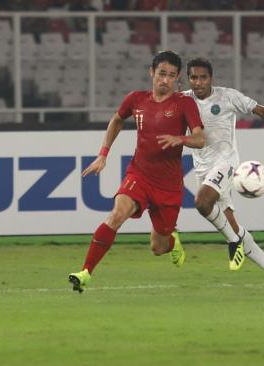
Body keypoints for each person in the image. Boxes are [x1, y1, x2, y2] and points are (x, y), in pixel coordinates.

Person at [68, 51, 205, 293]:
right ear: (152, 72)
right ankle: (86, 271)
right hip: (139, 174)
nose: (165, 80)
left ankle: (172, 240)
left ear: (177, 79)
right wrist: (103, 154)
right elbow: (117, 120)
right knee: (116, 215)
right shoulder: (136, 99)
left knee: (157, 247)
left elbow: (200, 139)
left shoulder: (184, 103)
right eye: (162, 74)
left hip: (169, 185)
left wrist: (179, 138)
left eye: (171, 76)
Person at [183, 57, 264, 292]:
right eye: (193, 77)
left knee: (201, 202)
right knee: (231, 225)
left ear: (211, 78)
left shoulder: (227, 96)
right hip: (202, 168)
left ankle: (234, 243)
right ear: (188, 79)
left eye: (203, 77)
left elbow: (260, 110)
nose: (198, 82)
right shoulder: (182, 100)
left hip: (226, 163)